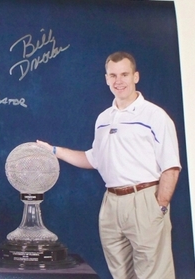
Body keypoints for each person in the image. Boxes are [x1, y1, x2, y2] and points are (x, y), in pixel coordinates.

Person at [37, 51, 181, 279]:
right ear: (106, 79)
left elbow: (171, 167)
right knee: (120, 275)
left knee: (154, 275)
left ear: (136, 76)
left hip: (144, 200)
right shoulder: (104, 119)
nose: (118, 81)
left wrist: (159, 207)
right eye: (113, 75)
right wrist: (54, 151)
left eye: (124, 74)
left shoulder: (155, 116)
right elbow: (94, 159)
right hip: (111, 204)